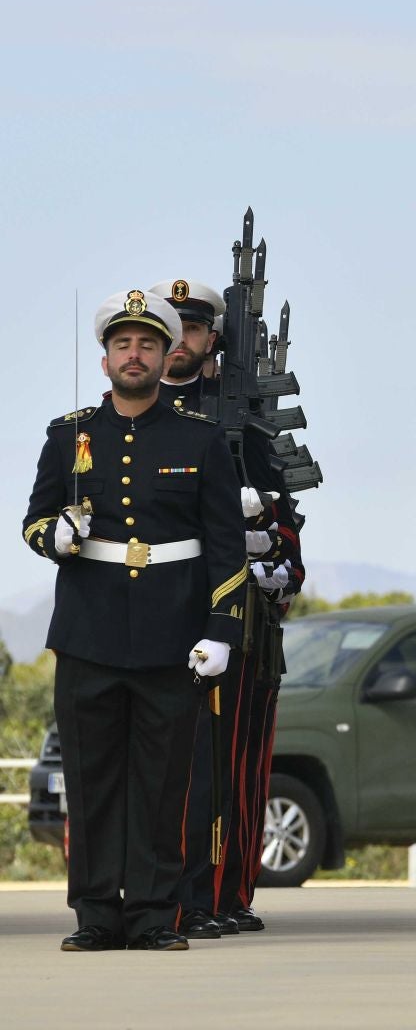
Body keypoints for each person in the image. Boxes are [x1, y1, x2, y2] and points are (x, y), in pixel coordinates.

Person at [23, 290, 247, 952]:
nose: (135, 354)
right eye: (123, 344)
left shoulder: (200, 440)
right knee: (92, 783)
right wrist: (54, 536)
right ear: (105, 360)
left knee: (162, 784)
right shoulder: (68, 436)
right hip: (88, 633)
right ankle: (95, 914)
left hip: (172, 635)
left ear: (167, 355)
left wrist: (222, 629)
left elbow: (226, 545)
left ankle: (154, 914)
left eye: (148, 344)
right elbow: (33, 520)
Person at [151, 277, 302, 939]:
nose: (180, 340)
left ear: (213, 338)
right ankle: (179, 893)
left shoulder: (240, 412)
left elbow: (288, 510)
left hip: (235, 610)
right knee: (174, 763)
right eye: (170, 327)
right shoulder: (138, 410)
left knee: (233, 762)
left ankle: (222, 889)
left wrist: (273, 552)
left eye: (192, 327)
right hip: (161, 605)